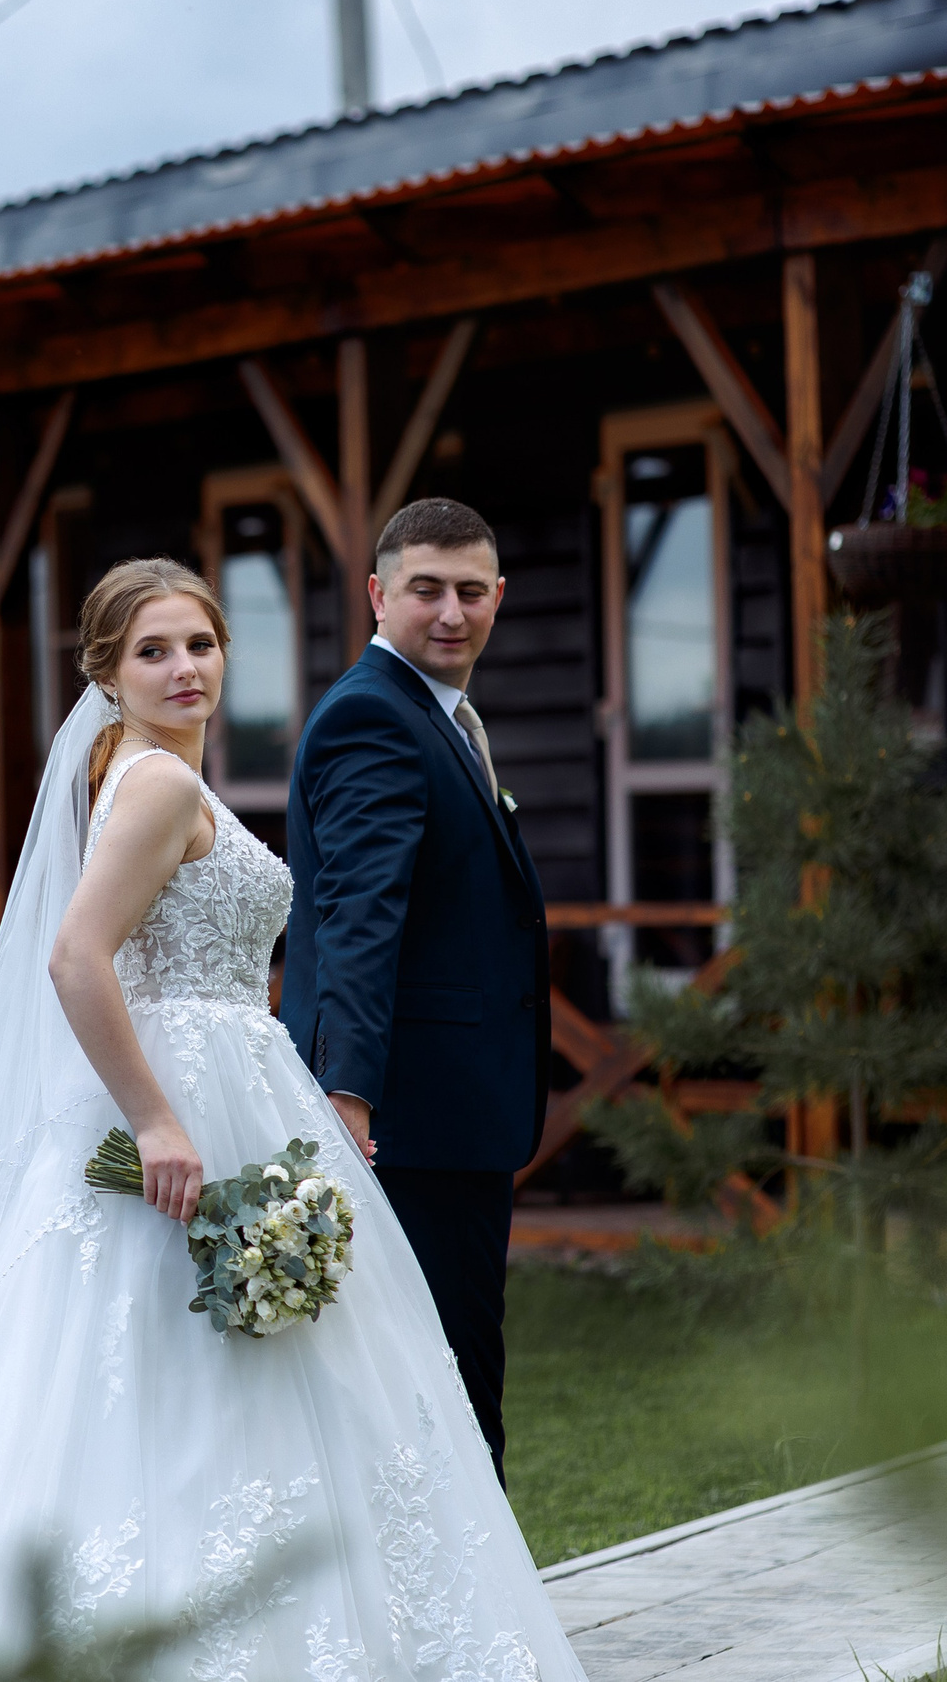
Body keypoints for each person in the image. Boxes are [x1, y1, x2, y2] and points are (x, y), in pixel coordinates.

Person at [0, 557, 583, 1682]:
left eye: (198, 645)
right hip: (189, 1113)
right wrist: (157, 1121)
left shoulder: (152, 773)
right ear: (105, 673)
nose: (183, 668)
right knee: (189, 1381)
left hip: (239, 1092)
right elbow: (75, 958)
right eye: (152, 651)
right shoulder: (152, 784)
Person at [280, 498, 548, 1484]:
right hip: (407, 1123)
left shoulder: (433, 716)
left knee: (449, 1378)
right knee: (442, 1386)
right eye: (425, 589)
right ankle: (474, 1628)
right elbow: (360, 913)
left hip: (449, 1116)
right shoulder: (372, 719)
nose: (450, 611)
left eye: (470, 591)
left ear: (498, 598)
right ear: (376, 593)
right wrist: (347, 1093)